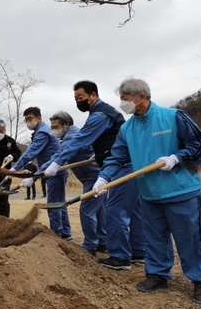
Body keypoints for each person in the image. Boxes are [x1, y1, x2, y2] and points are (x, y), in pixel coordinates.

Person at [95, 77, 201, 305]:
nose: (123, 104)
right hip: (149, 192)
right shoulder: (127, 128)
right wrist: (103, 177)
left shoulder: (173, 117)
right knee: (154, 238)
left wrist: (176, 157)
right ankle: (158, 275)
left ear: (141, 97)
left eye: (125, 100)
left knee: (190, 238)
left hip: (179, 190)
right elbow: (117, 156)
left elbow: (199, 143)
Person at [41, 81, 144, 266]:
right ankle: (138, 251)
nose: (78, 101)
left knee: (115, 210)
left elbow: (81, 140)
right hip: (128, 162)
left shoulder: (100, 115)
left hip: (122, 165)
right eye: (75, 99)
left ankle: (119, 256)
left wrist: (57, 162)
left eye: (81, 97)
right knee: (134, 209)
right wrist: (101, 154)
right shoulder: (105, 112)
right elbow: (108, 140)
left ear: (93, 95)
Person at [44, 111, 107, 248]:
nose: (54, 130)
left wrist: (39, 171)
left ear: (66, 125)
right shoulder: (70, 135)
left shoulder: (72, 136)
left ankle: (90, 245)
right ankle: (103, 242)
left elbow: (60, 154)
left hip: (95, 178)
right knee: (99, 210)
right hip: (93, 177)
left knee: (86, 211)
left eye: (56, 127)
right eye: (52, 127)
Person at [11, 107, 64, 236]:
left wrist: (15, 168)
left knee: (53, 205)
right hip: (51, 170)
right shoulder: (41, 131)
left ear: (38, 118)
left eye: (30, 118)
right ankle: (65, 233)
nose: (28, 121)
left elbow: (31, 153)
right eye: (26, 119)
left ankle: (57, 234)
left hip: (54, 171)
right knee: (59, 203)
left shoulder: (42, 133)